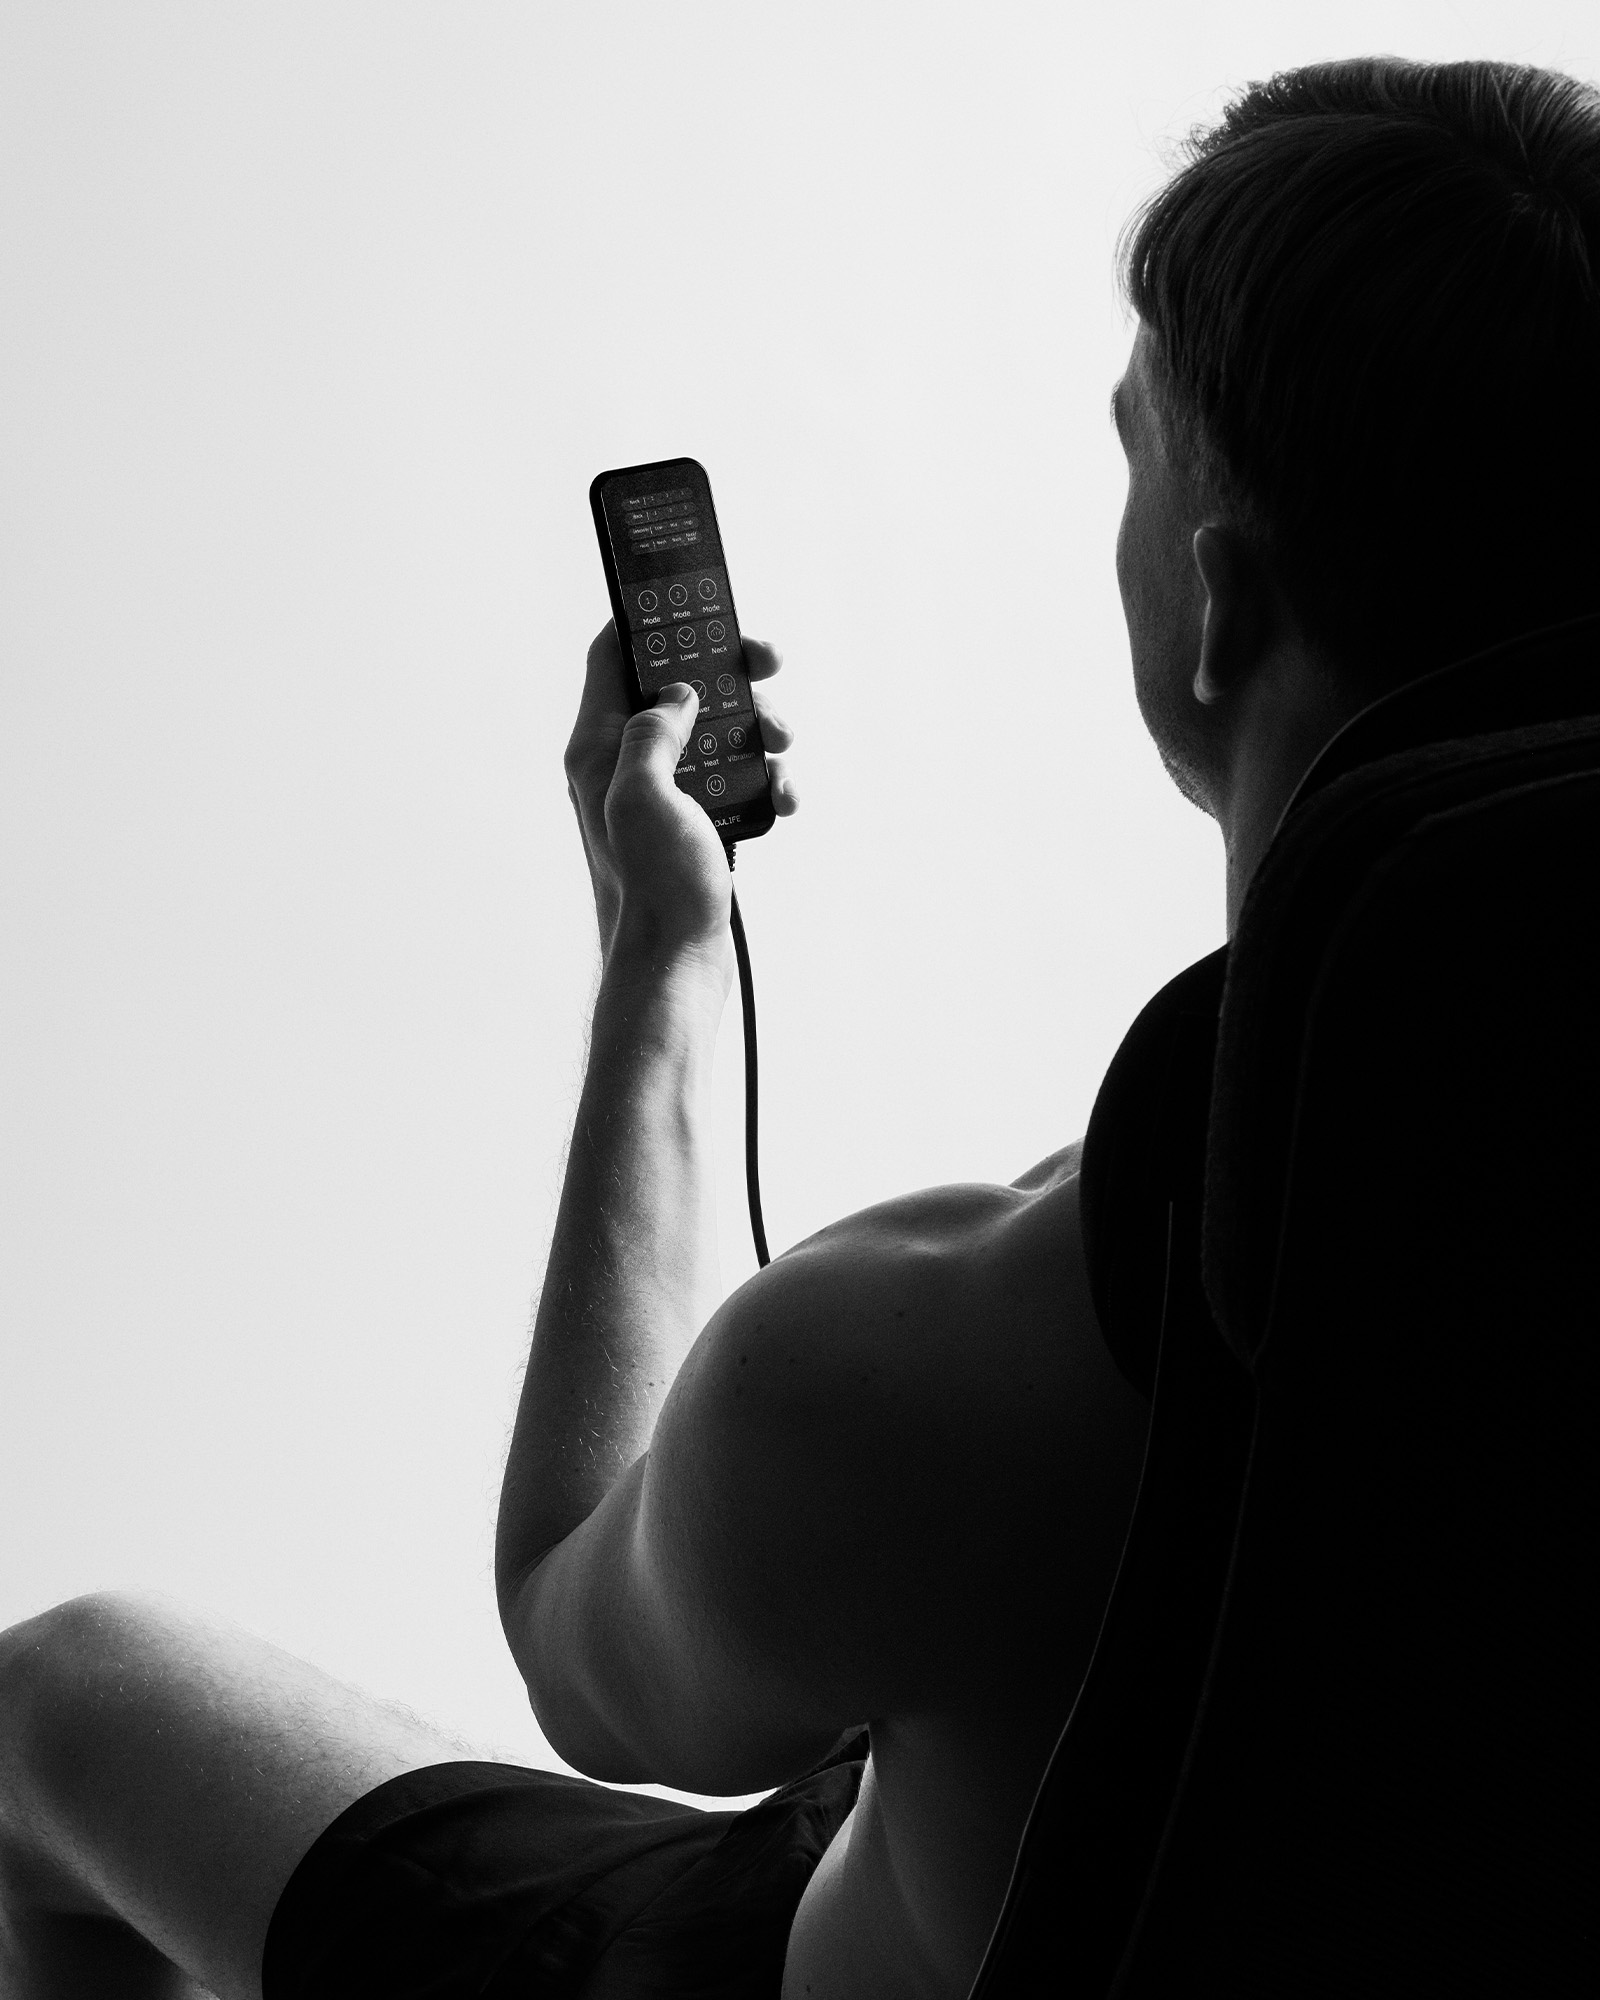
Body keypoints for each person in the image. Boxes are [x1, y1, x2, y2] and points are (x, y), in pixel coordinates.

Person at [3, 52, 1598, 2000]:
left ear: (1212, 610)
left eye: (1128, 449)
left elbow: (583, 1638)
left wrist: (657, 953)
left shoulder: (945, 1367)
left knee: (56, 1703)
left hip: (733, 1965)